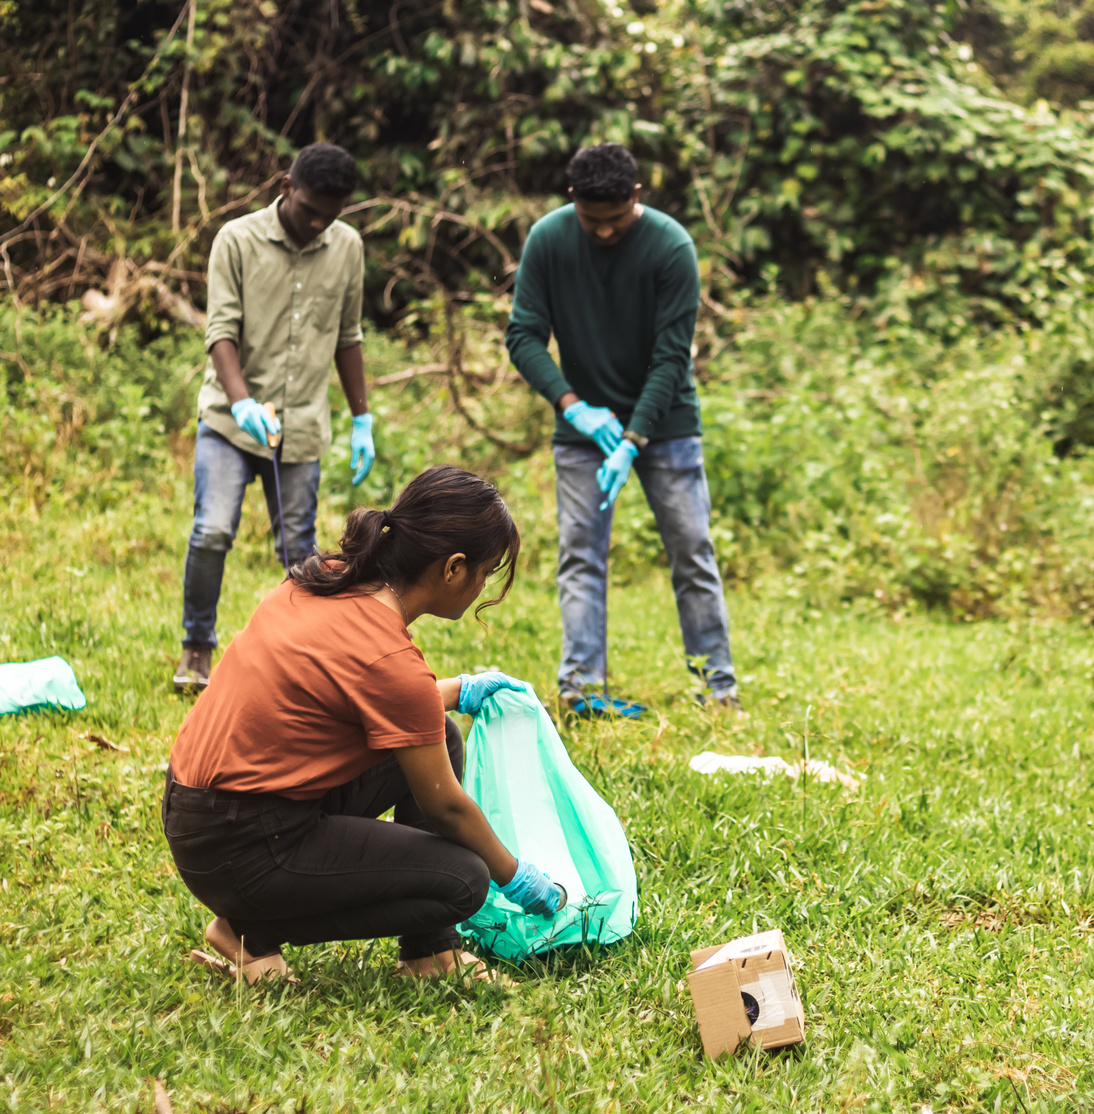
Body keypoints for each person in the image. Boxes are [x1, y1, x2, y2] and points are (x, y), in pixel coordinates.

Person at [163, 466, 564, 983]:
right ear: (453, 568)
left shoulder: (328, 577)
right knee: (464, 880)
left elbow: (374, 701)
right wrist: (516, 877)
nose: (483, 586)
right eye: (485, 574)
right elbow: (445, 808)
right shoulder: (390, 658)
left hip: (202, 810)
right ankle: (251, 929)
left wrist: (457, 690)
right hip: (242, 846)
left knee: (439, 732)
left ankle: (426, 954)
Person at [505, 142, 739, 716]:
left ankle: (718, 688)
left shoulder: (671, 246)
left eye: (615, 219)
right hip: (583, 428)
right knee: (580, 554)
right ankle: (580, 688)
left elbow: (670, 358)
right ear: (573, 202)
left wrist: (633, 439)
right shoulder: (550, 240)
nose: (604, 232)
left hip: (667, 425)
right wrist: (573, 406)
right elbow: (523, 336)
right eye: (592, 220)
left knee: (692, 550)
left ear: (636, 197)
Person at [173, 142, 379, 693]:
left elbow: (348, 337)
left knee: (299, 550)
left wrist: (363, 419)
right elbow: (221, 331)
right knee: (213, 530)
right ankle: (197, 648)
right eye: (309, 209)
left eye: (329, 216)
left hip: (303, 426)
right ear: (286, 186)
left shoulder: (347, 247)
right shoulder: (236, 239)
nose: (317, 223)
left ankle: (299, 659)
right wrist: (241, 402)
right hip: (229, 420)